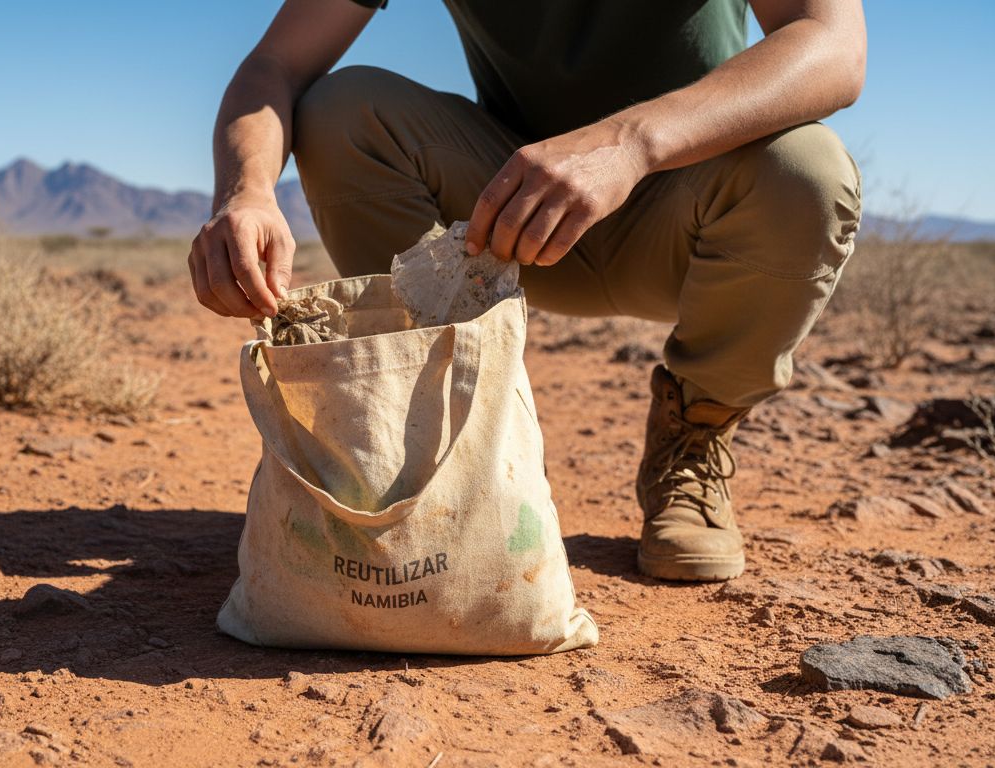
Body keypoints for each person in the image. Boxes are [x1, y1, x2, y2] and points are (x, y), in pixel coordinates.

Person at [187, 0, 865, 582]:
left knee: (807, 169)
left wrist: (628, 145)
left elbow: (833, 46)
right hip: (509, 220)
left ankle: (695, 433)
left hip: (689, 217)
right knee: (342, 109)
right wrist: (244, 193)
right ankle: (444, 447)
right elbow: (275, 65)